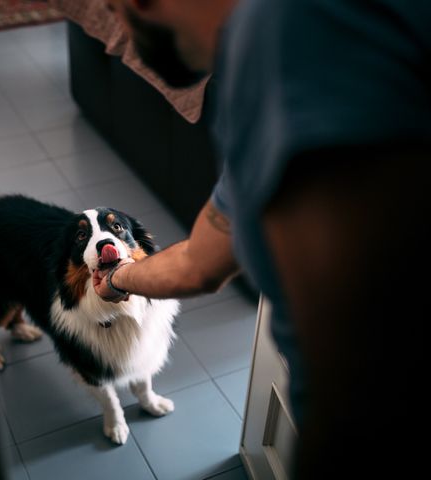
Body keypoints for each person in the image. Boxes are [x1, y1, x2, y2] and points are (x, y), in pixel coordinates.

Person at [95, 0, 431, 477]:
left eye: (112, 6)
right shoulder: (277, 67)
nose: (121, 26)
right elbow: (198, 262)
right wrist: (119, 279)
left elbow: (361, 377)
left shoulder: (287, 31)